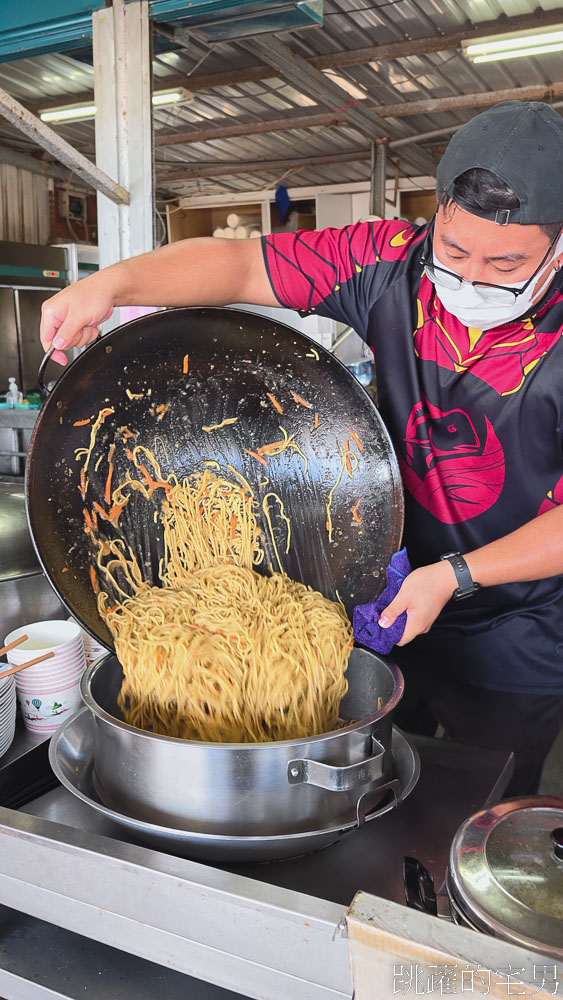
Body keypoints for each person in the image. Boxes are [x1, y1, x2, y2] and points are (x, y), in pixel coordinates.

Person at [40, 101, 563, 796]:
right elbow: (236, 264)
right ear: (435, 213)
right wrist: (112, 284)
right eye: (455, 251)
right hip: (382, 587)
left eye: (505, 263)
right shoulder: (389, 261)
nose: (469, 278)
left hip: (516, 625)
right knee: (377, 779)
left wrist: (455, 576)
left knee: (480, 796)